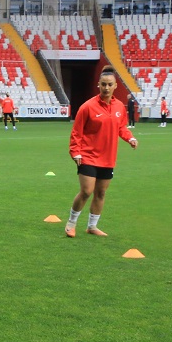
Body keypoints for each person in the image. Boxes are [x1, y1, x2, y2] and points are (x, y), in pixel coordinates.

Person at [65, 66, 138, 238]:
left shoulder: (120, 106)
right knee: (86, 191)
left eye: (109, 84)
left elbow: (122, 128)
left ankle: (92, 226)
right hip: (88, 156)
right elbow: (77, 132)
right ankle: (71, 223)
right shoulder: (87, 107)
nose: (106, 88)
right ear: (98, 85)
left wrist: (130, 138)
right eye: (103, 84)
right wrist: (75, 152)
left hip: (108, 157)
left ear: (115, 86)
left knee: (101, 193)